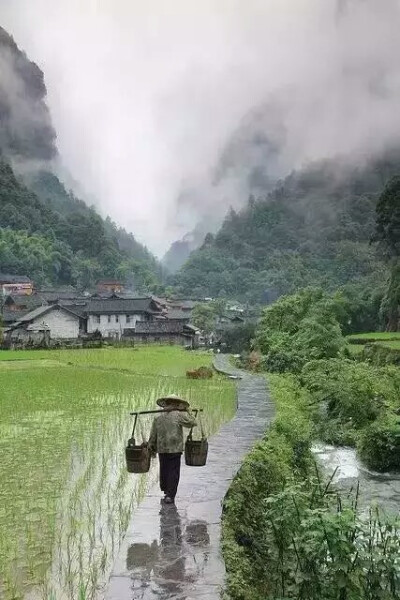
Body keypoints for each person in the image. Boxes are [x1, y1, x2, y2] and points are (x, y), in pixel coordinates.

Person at [148, 394, 197, 504]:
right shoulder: (179, 415)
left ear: (166, 403)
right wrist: (188, 411)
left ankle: (166, 491)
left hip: (162, 448)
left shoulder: (158, 416)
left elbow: (153, 435)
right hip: (175, 448)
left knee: (164, 469)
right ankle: (170, 495)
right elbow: (193, 422)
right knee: (173, 472)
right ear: (176, 404)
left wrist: (151, 445)